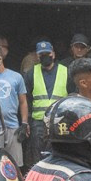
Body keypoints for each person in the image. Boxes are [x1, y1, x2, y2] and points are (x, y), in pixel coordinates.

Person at [23, 40, 70, 168]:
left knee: (60, 155)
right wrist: (25, 121)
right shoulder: (31, 73)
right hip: (38, 122)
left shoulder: (66, 71)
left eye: (47, 53)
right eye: (41, 54)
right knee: (37, 157)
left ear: (53, 54)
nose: (44, 56)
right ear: (37, 56)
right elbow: (25, 100)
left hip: (60, 121)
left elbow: (72, 97)